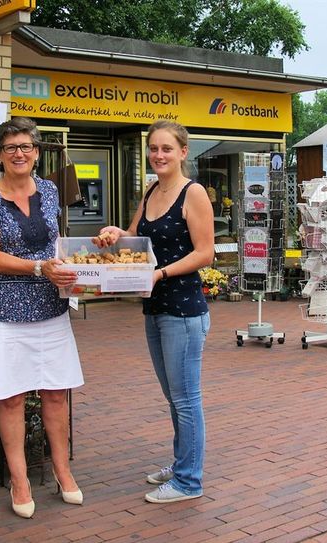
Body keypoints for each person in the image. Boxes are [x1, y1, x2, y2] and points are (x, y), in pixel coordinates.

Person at [0, 117, 84, 518]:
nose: (19, 153)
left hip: (51, 307)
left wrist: (76, 267)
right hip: (5, 312)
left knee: (55, 392)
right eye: (10, 147)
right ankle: (19, 481)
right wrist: (38, 268)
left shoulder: (49, 190)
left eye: (26, 146)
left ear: (36, 153)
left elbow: (56, 244)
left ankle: (63, 472)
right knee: (11, 396)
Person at [93, 120, 214, 503]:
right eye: (153, 148)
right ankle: (182, 464)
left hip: (183, 311)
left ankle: (188, 482)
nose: (158, 155)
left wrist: (159, 273)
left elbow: (205, 253)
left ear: (183, 152)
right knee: (173, 395)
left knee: (186, 398)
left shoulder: (193, 193)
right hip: (155, 306)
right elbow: (136, 238)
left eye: (166, 148)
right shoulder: (151, 190)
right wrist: (116, 233)